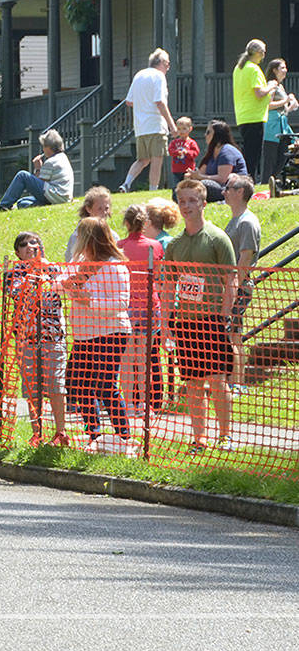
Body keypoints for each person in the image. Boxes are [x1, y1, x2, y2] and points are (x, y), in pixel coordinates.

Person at [160, 179, 237, 452]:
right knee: (193, 384)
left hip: (212, 321)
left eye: (192, 201)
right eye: (182, 201)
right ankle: (199, 438)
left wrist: (225, 317)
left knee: (217, 380)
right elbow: (169, 286)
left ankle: (226, 435)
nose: (186, 206)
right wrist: (166, 322)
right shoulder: (175, 245)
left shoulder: (217, 238)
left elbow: (231, 280)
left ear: (203, 203)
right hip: (186, 324)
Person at [62, 217, 133, 453]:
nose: (77, 240)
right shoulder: (80, 261)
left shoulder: (115, 265)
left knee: (105, 385)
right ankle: (94, 436)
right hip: (84, 334)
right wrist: (65, 283)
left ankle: (124, 437)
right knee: (79, 385)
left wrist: (89, 301)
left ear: (91, 238)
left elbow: (121, 303)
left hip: (111, 332)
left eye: (81, 236)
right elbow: (60, 281)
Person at [6, 232, 69, 447]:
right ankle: (37, 432)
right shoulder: (14, 272)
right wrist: (33, 279)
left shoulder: (54, 269)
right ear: (18, 252)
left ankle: (61, 432)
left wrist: (43, 274)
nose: (30, 247)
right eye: (24, 245)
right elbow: (17, 294)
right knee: (32, 388)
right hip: (27, 339)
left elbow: (57, 292)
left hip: (53, 338)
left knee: (56, 386)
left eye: (34, 243)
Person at [117, 206, 164, 413]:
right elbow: (160, 277)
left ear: (126, 223)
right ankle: (144, 403)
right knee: (145, 358)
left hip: (127, 307)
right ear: (145, 223)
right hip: (149, 305)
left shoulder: (118, 247)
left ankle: (128, 403)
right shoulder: (155, 246)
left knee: (127, 359)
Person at [221, 173, 261, 392]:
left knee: (233, 335)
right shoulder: (236, 219)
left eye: (229, 188)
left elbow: (245, 259)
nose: (224, 191)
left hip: (239, 287)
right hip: (231, 286)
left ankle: (237, 383)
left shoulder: (246, 222)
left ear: (240, 192)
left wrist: (233, 290)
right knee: (230, 334)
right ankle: (231, 380)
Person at [118, 49, 176, 193]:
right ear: (161, 63)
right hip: (156, 125)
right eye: (167, 64)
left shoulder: (139, 75)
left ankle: (126, 184)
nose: (168, 67)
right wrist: (172, 126)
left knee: (142, 160)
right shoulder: (159, 77)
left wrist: (143, 102)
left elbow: (129, 101)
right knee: (157, 160)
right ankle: (153, 190)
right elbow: (160, 102)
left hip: (140, 126)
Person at [0, 129, 74, 211]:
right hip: (62, 198)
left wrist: (38, 168)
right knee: (21, 202)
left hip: (55, 196)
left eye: (44, 146)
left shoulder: (51, 162)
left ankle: (4, 206)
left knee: (22, 175)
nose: (43, 149)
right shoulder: (63, 157)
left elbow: (40, 185)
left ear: (49, 147)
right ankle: (40, 206)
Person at [232, 38, 275, 180]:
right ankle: (248, 182)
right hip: (255, 116)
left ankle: (245, 181)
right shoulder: (254, 69)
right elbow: (259, 93)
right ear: (257, 52)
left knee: (248, 152)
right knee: (253, 155)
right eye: (263, 52)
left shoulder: (239, 68)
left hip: (243, 116)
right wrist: (271, 86)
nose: (264, 55)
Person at [191, 119, 249, 203]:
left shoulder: (227, 151)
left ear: (217, 135)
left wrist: (200, 177)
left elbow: (222, 178)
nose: (205, 135)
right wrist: (192, 176)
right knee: (183, 188)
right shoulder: (212, 152)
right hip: (218, 186)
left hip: (232, 188)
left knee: (204, 185)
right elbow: (201, 173)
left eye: (208, 132)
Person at [261, 59, 298, 184]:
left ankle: (273, 182)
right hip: (272, 127)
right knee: (270, 160)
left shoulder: (280, 86)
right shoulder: (272, 84)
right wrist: (285, 100)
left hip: (282, 126)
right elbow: (268, 105)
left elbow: (283, 109)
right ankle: (266, 184)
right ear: (274, 70)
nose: (285, 70)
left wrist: (290, 106)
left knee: (283, 157)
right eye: (282, 67)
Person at [65, 186, 119, 262]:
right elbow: (71, 261)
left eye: (106, 208)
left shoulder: (113, 236)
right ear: (88, 209)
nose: (104, 213)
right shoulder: (78, 235)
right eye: (99, 209)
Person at [167, 117, 200, 185]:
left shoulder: (191, 142)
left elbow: (195, 153)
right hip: (176, 169)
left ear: (190, 129)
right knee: (176, 185)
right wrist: (177, 152)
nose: (181, 131)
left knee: (187, 185)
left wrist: (187, 152)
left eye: (184, 129)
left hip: (188, 169)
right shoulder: (174, 142)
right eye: (179, 129)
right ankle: (176, 195)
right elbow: (170, 151)